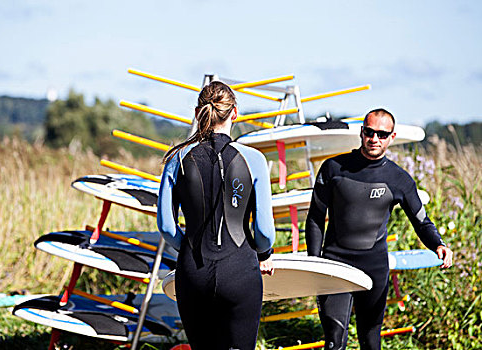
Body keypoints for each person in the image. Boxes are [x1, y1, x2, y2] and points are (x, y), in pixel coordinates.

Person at [305, 108, 453, 350]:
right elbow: (315, 218)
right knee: (334, 342)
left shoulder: (399, 179)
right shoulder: (333, 168)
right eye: (369, 132)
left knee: (371, 341)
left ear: (391, 137)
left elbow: (421, 221)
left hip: (373, 267)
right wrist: (315, 264)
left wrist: (439, 244)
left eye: (381, 134)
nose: (374, 139)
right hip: (334, 265)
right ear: (361, 132)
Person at [157, 81, 276, 350]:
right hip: (241, 271)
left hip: (193, 272)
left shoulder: (177, 158)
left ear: (198, 112)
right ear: (235, 113)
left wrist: (188, 246)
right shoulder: (254, 159)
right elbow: (265, 231)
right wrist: (263, 254)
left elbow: (166, 226)